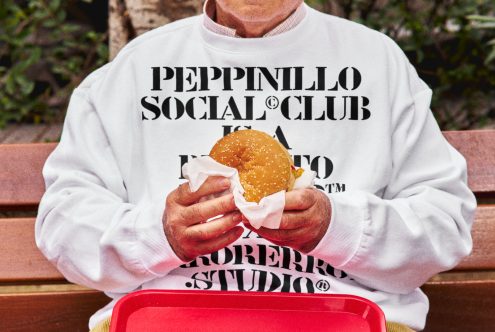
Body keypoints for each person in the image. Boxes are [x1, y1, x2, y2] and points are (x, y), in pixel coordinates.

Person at [34, 0, 477, 331]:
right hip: (164, 315)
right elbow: (63, 223)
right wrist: (158, 234)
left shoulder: (376, 62)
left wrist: (339, 226)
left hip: (346, 314)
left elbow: (445, 221)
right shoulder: (133, 69)